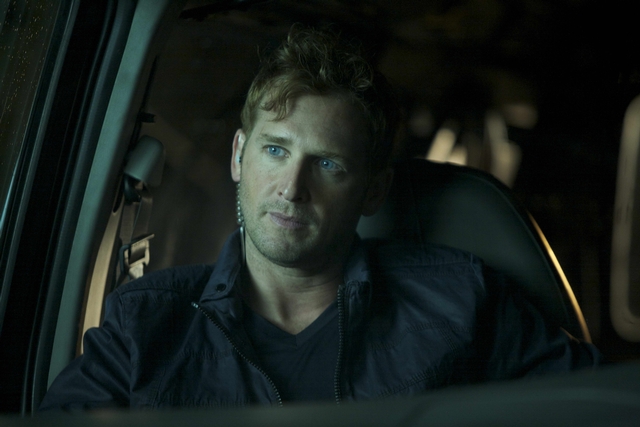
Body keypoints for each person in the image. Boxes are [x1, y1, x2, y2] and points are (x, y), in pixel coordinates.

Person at [40, 24, 600, 411]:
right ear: (239, 156)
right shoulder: (143, 326)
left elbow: (596, 404)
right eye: (275, 150)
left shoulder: (460, 301)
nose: (292, 188)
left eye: (328, 164)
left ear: (374, 190)